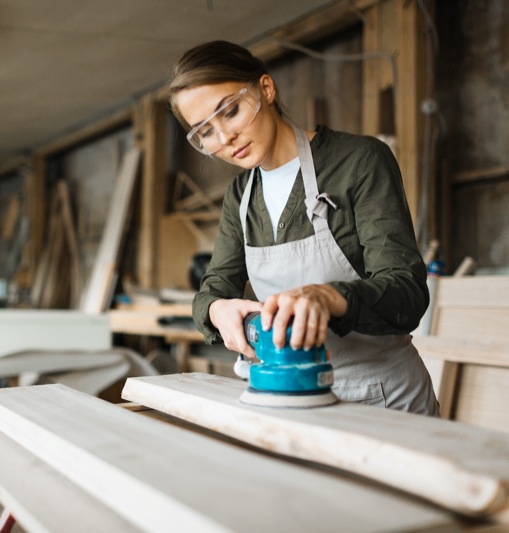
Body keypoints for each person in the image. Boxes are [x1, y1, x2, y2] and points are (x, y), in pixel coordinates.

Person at [168, 40, 438, 416]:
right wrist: (216, 311)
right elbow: (213, 289)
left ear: (265, 89)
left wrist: (326, 297)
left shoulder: (358, 162)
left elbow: (407, 294)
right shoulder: (240, 195)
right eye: (206, 132)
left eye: (229, 111)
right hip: (286, 399)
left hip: (377, 397)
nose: (224, 138)